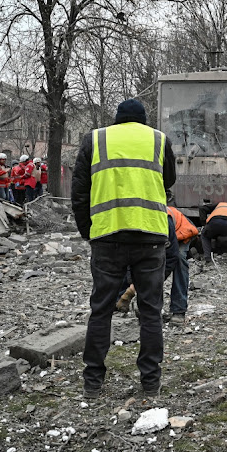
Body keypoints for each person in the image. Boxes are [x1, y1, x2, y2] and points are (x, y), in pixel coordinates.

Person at [71, 98, 176, 400]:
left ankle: (92, 382)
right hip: (150, 237)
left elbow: (79, 190)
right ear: (143, 120)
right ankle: (150, 382)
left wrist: (88, 231)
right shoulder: (159, 140)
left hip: (107, 237)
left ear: (117, 119)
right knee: (151, 311)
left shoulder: (95, 139)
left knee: (101, 310)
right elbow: (168, 179)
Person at [164, 200, 197, 322]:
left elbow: (171, 258)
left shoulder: (164, 218)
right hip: (167, 232)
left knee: (179, 260)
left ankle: (179, 309)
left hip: (181, 232)